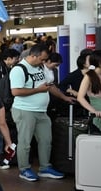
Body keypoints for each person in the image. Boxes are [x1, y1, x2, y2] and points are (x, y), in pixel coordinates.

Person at [10, 44, 70, 182]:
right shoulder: (19, 70)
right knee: (25, 142)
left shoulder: (40, 67)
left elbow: (49, 85)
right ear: (33, 56)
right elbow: (16, 91)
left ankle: (45, 167)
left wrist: (64, 97)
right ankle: (24, 169)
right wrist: (38, 90)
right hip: (25, 110)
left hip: (42, 111)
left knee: (46, 140)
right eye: (42, 59)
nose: (43, 62)